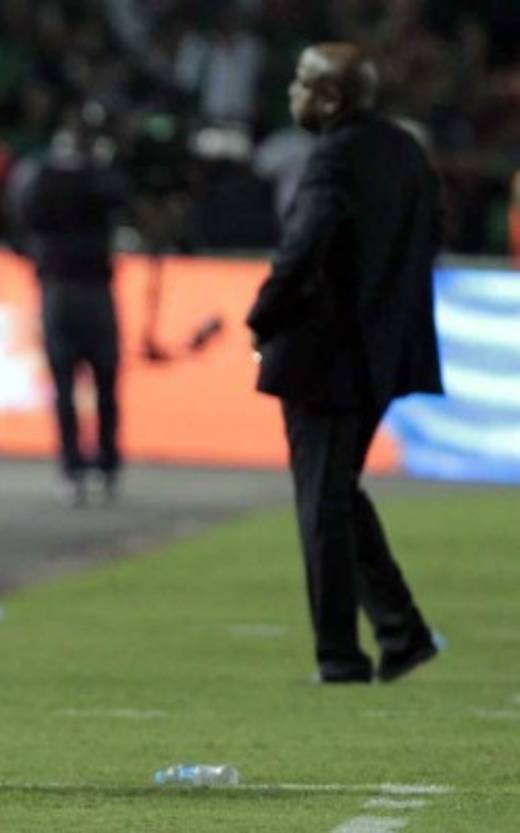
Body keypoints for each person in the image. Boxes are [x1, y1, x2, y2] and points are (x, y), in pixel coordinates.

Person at [247, 44, 443, 684]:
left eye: (301, 84)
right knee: (337, 495)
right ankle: (402, 632)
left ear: (330, 98)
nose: (292, 95)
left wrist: (263, 317)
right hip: (382, 355)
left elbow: (304, 247)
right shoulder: (407, 150)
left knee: (321, 504)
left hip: (324, 355)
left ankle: (339, 654)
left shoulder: (332, 155)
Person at [11, 107, 123, 505]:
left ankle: (72, 466)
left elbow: (21, 220)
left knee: (64, 383)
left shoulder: (39, 176)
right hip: (93, 288)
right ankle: (105, 463)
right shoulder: (100, 176)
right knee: (104, 380)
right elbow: (119, 203)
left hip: (57, 289)